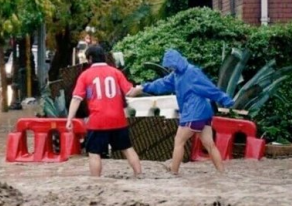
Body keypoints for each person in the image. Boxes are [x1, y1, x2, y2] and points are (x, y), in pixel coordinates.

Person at [131, 49, 234, 175]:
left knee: (179, 141)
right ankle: (222, 173)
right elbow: (161, 84)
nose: (170, 68)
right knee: (209, 144)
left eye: (171, 66)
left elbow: (209, 88)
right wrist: (142, 88)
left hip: (193, 114)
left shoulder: (191, 72)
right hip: (204, 113)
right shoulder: (176, 74)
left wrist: (225, 99)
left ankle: (174, 173)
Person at [66, 45, 142, 177]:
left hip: (97, 121)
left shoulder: (85, 75)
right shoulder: (116, 72)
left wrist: (69, 119)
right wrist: (141, 88)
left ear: (90, 59)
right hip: (118, 119)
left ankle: (96, 179)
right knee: (127, 148)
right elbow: (130, 92)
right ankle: (139, 174)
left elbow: (76, 99)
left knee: (94, 152)